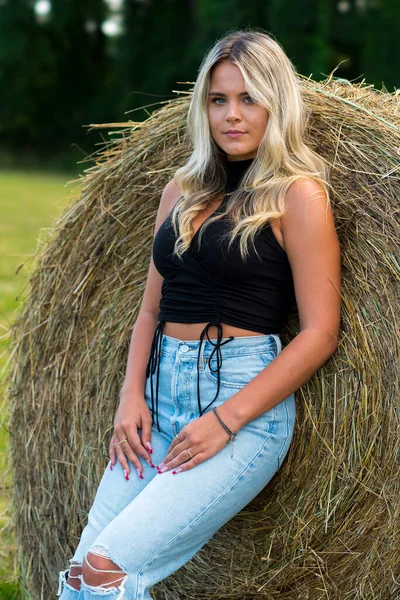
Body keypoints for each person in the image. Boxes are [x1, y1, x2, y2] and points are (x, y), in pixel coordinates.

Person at [57, 28, 341, 600]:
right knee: (81, 573)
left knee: (108, 569)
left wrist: (227, 419)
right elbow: (148, 311)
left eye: (248, 99)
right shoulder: (182, 190)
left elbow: (320, 333)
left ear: (275, 105)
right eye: (218, 100)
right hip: (157, 402)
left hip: (241, 408)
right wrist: (129, 396)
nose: (231, 115)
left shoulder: (298, 196)